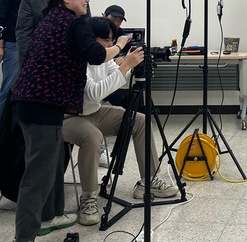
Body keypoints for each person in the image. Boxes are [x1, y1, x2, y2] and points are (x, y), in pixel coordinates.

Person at [7, 0, 132, 242]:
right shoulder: (74, 23)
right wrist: (120, 46)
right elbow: (97, 55)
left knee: (50, 165)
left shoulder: (50, 20)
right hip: (40, 106)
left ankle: (46, 218)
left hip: (38, 104)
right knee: (37, 174)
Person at [62, 17, 178, 226]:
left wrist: (130, 66)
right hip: (70, 117)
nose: (110, 45)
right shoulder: (79, 58)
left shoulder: (105, 58)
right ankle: (89, 197)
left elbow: (117, 81)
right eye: (106, 40)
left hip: (95, 112)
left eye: (112, 41)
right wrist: (125, 66)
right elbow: (94, 93)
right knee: (93, 137)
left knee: (140, 120)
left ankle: (148, 181)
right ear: (91, 39)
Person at [0, 0, 42, 126]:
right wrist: (1, 45)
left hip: (38, 46)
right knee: (9, 88)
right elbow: (1, 15)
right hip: (14, 44)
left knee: (33, 89)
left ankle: (21, 130)